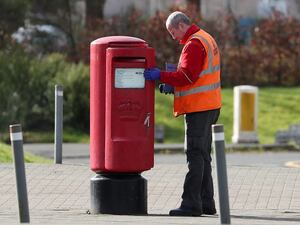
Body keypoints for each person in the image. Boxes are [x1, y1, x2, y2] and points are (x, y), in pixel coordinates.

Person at [144, 11, 221, 217]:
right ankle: (207, 203)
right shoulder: (206, 37)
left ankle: (191, 205)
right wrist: (172, 84)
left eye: (172, 32)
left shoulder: (194, 44)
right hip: (211, 105)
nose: (172, 37)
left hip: (199, 108)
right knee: (204, 155)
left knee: (194, 155)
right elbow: (198, 76)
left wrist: (160, 75)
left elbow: (187, 75)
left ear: (180, 26)